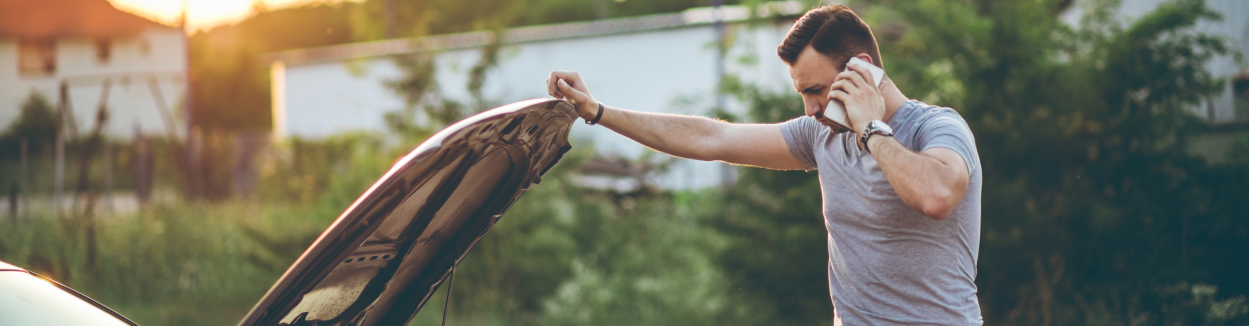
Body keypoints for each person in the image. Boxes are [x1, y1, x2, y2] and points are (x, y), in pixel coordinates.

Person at [546, 4, 982, 325]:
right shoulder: (821, 135)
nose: (810, 108)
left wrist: (870, 129)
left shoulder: (937, 127)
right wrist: (599, 111)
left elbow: (936, 195)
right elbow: (712, 138)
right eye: (802, 93)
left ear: (862, 70)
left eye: (817, 89)